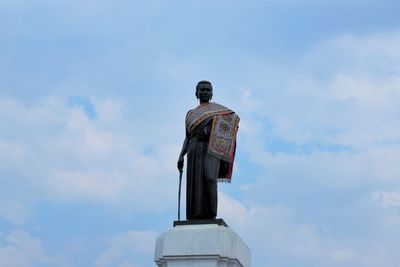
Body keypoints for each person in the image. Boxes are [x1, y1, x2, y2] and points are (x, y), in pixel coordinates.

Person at [177, 81, 239, 220]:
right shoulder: (190, 114)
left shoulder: (219, 112)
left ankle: (211, 214)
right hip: (193, 148)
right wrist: (181, 155)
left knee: (210, 178)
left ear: (211, 93)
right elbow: (187, 137)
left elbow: (229, 124)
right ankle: (195, 215)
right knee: (195, 181)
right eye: (202, 90)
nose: (205, 92)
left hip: (211, 148)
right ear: (196, 93)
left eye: (208, 90)